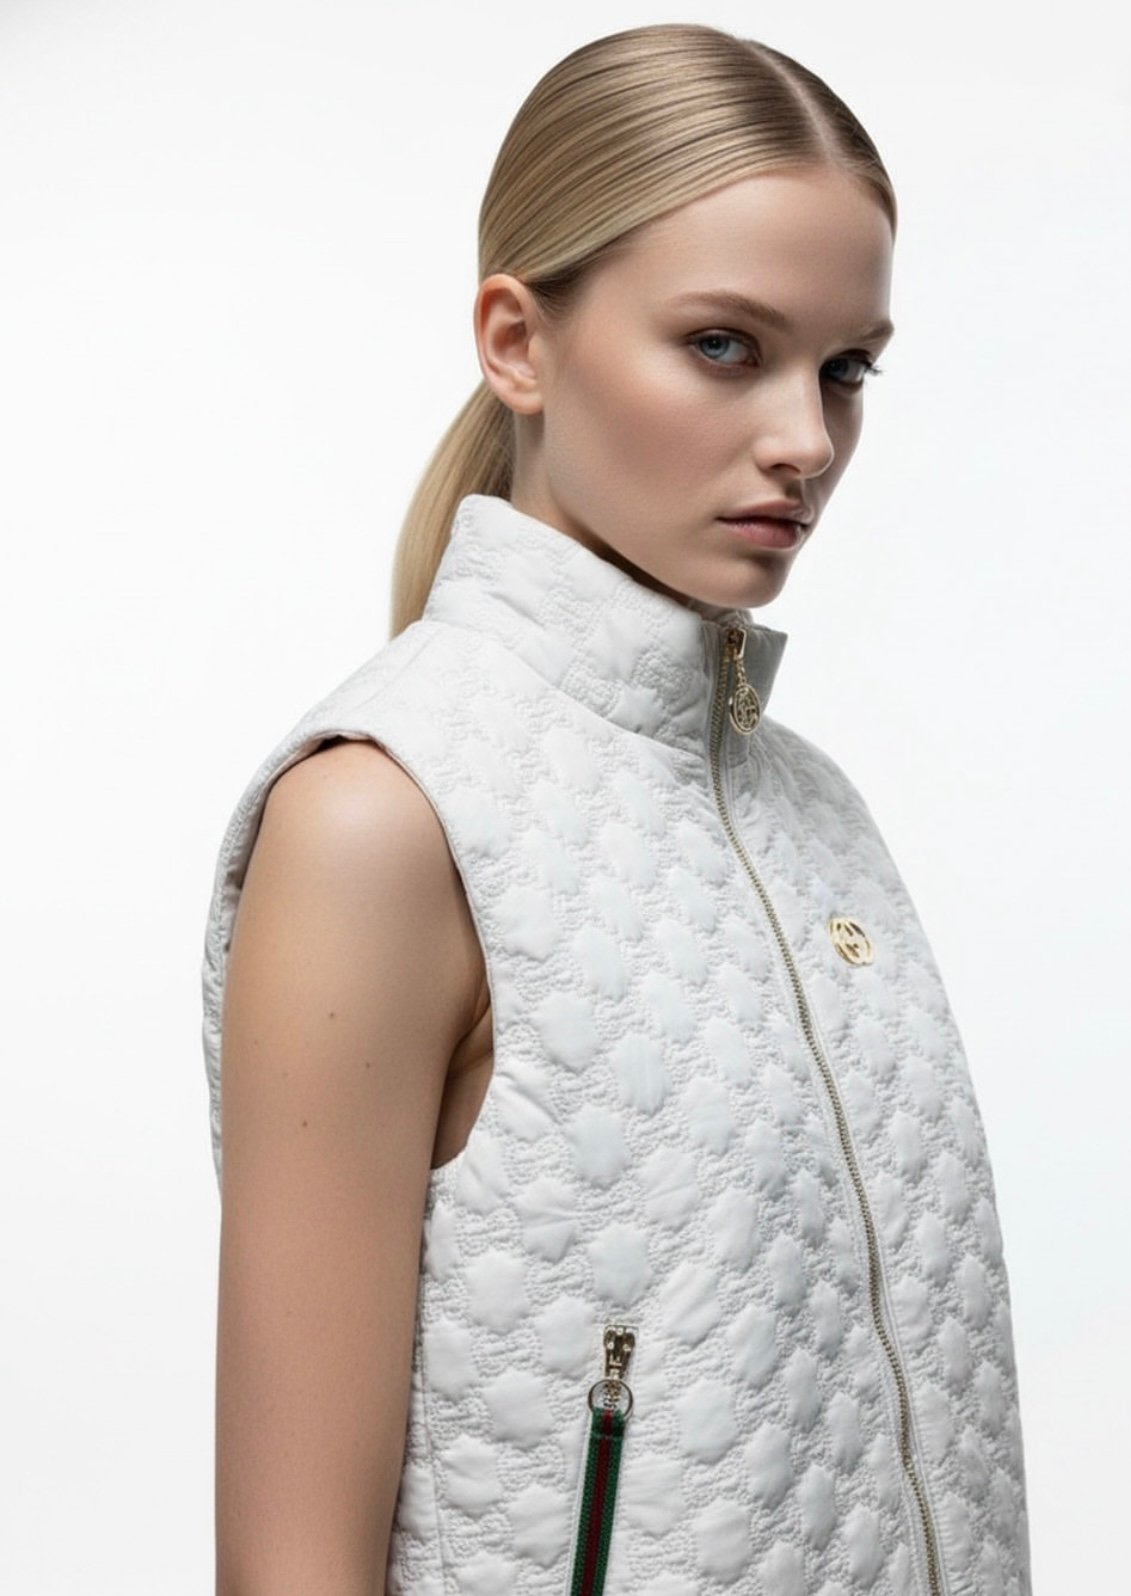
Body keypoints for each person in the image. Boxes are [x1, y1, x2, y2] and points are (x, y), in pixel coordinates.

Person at [200, 21, 1032, 1596]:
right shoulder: (380, 822)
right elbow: (290, 1563)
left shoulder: (815, 815)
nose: (805, 440)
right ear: (516, 342)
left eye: (845, 368)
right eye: (723, 345)